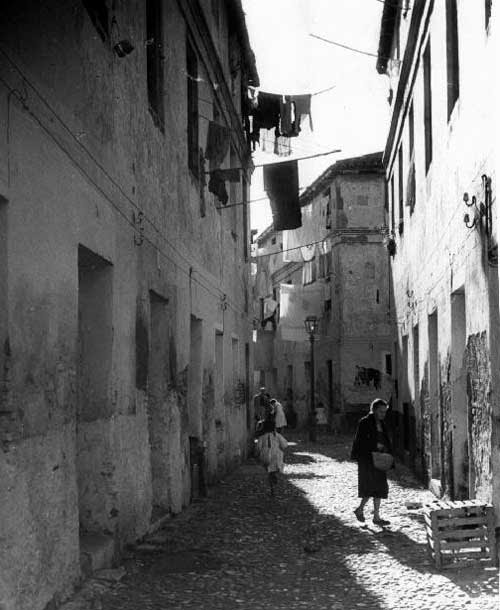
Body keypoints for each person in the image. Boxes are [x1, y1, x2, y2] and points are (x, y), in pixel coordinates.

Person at [351, 398, 393, 525]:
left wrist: (386, 450)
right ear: (373, 410)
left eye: (384, 412)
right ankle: (360, 509)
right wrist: (375, 446)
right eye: (381, 412)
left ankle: (376, 516)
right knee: (370, 487)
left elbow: (386, 440)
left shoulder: (382, 423)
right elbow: (360, 442)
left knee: (380, 487)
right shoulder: (364, 423)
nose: (383, 414)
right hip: (367, 460)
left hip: (380, 459)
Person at [256, 417, 288, 496]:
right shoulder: (277, 435)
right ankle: (274, 474)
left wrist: (256, 455)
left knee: (269, 470)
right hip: (276, 456)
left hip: (265, 456)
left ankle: (272, 488)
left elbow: (258, 448)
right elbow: (284, 445)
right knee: (274, 467)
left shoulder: (262, 437)